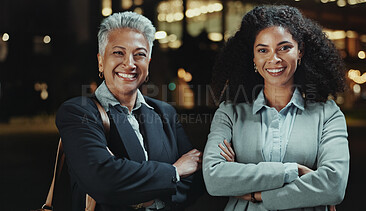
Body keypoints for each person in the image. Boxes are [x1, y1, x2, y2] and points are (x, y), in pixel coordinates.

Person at [203, 5, 349, 211]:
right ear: (253, 58)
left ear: (300, 51)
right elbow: (214, 179)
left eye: (284, 47)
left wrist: (255, 194)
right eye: (263, 50)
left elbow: (333, 185)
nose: (274, 59)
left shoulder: (327, 113)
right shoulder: (230, 112)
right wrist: (293, 170)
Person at [56, 11, 203, 210]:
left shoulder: (165, 113)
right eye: (118, 52)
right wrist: (174, 172)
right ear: (101, 61)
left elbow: (193, 181)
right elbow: (103, 180)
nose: (130, 64)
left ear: (148, 64)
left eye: (139, 54)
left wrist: (138, 195)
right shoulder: (78, 112)